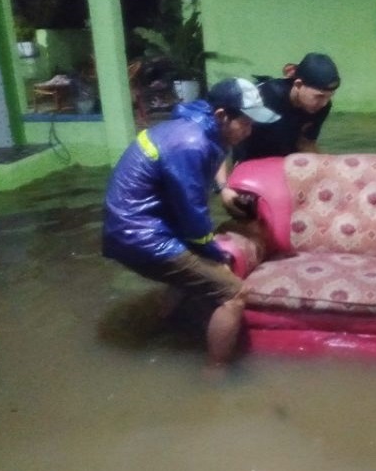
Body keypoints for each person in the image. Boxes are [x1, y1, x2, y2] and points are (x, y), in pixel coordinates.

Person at [102, 77, 280, 366]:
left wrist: (205, 245)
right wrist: (213, 252)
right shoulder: (191, 143)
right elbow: (193, 212)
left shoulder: (202, 131)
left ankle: (156, 327)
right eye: (245, 122)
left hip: (137, 228)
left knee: (196, 270)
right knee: (233, 292)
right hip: (140, 235)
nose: (250, 130)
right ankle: (216, 374)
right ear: (222, 115)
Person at [216, 52, 340, 217]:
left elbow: (305, 143)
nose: (324, 103)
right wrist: (224, 188)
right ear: (298, 84)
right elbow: (221, 140)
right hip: (250, 163)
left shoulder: (321, 107)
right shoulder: (265, 97)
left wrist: (334, 172)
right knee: (247, 215)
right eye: (319, 96)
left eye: (329, 97)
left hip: (283, 164)